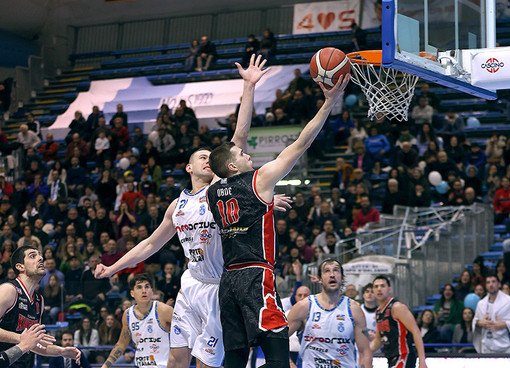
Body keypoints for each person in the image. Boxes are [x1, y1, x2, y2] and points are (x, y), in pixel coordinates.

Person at [95, 55, 280, 368]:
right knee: (177, 359)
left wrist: (248, 86)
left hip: (220, 288)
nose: (209, 159)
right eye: (202, 156)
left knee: (206, 364)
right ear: (189, 166)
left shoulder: (220, 190)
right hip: (191, 284)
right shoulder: (177, 205)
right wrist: (113, 268)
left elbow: (239, 136)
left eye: (212, 157)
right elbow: (150, 245)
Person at [206, 74, 349, 368]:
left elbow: (233, 146)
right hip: (256, 276)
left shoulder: (211, 191)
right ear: (233, 165)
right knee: (277, 352)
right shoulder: (258, 180)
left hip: (228, 281)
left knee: (234, 355)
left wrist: (268, 204)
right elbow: (301, 143)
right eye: (243, 154)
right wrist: (328, 103)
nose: (248, 155)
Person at [0, 246, 81, 368]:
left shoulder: (39, 300)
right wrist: (21, 338)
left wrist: (61, 351)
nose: (41, 258)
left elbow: (34, 344)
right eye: (33, 256)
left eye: (40, 255)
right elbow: (27, 341)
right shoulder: (8, 290)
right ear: (20, 266)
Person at [287, 259, 372, 368]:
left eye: (336, 270)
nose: (332, 275)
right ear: (319, 279)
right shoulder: (305, 306)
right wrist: (290, 363)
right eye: (327, 271)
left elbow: (365, 352)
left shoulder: (354, 309)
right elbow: (278, 339)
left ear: (342, 278)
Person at [100, 274, 172, 368]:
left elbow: (186, 332)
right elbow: (122, 343)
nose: (144, 291)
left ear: (152, 291)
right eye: (139, 287)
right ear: (132, 293)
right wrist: (105, 365)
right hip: (139, 365)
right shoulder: (128, 314)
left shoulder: (164, 310)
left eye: (147, 287)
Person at [371, 275, 427, 368]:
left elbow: (416, 331)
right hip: (391, 358)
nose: (379, 289)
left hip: (404, 356)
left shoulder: (397, 307)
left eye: (382, 286)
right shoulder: (378, 312)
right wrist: (364, 351)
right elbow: (378, 339)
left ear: (390, 289)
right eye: (376, 286)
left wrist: (422, 359)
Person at [472, 273, 510, 353]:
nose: (491, 285)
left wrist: (504, 324)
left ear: (499, 284)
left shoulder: (508, 301)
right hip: (486, 346)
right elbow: (475, 321)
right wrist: (479, 323)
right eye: (488, 282)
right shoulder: (481, 303)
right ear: (486, 286)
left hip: (505, 347)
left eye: (493, 282)